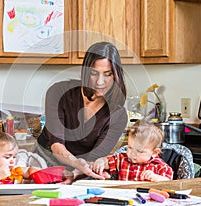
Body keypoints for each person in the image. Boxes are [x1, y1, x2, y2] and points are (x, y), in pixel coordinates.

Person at [34, 41, 128, 180]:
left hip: (81, 171)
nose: (100, 82)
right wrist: (75, 163)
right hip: (42, 165)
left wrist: (77, 171)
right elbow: (56, 144)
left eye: (107, 74)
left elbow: (95, 157)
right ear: (85, 72)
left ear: (116, 76)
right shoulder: (58, 92)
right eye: (94, 73)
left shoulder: (118, 115)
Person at [92, 120, 174, 182]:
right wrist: (101, 162)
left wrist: (155, 177)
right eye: (130, 148)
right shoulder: (122, 159)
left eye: (139, 151)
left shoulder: (160, 167)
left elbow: (169, 184)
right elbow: (107, 161)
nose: (132, 154)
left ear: (154, 152)